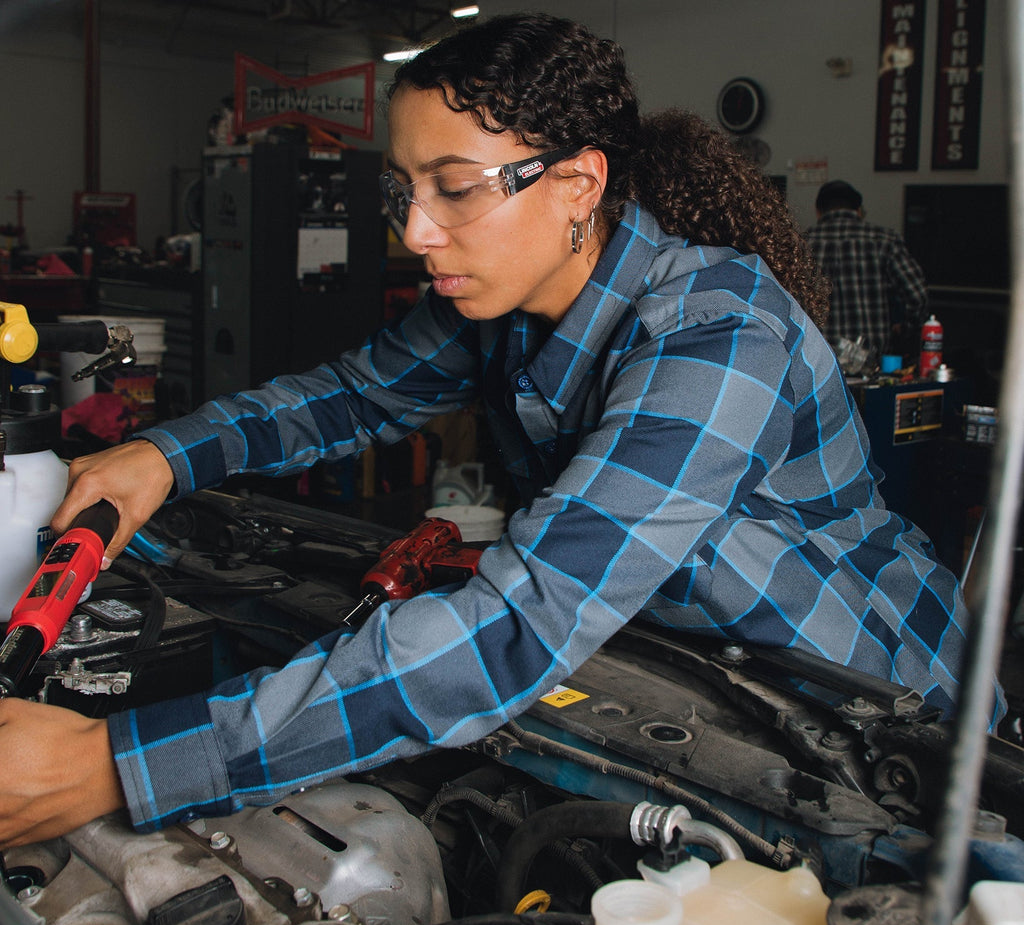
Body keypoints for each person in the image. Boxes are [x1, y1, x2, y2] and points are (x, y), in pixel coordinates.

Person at [0, 13, 972, 848]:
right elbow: (346, 397)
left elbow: (521, 617)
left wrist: (121, 764)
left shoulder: (720, 334)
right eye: (404, 191)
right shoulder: (500, 307)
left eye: (455, 188)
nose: (416, 232)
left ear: (578, 185)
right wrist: (164, 454)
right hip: (693, 671)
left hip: (879, 712)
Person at [804, 179, 929, 357]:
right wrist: (904, 330)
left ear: (818, 211)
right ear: (859, 210)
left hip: (819, 359)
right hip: (872, 357)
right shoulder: (884, 240)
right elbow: (918, 296)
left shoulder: (801, 244)